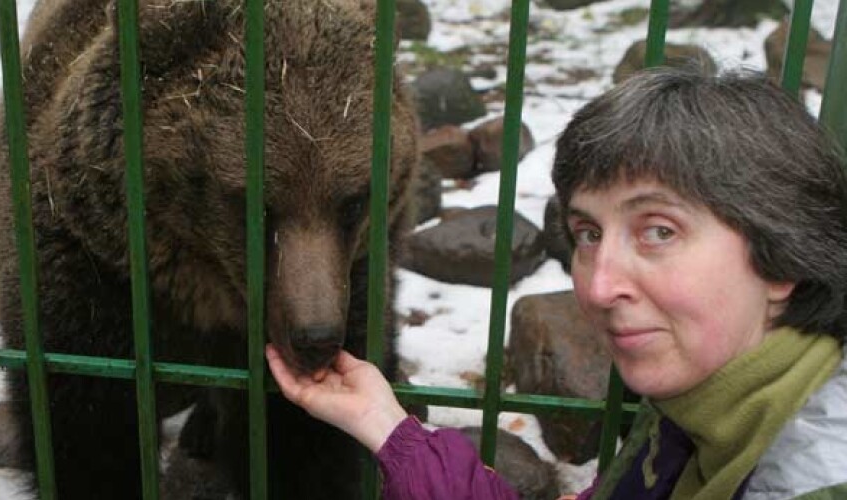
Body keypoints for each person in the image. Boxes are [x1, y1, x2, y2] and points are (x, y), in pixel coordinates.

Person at [265, 67, 847, 500]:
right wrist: (389, 429)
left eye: (659, 231)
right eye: (588, 234)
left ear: (783, 258)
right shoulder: (698, 407)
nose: (596, 288)